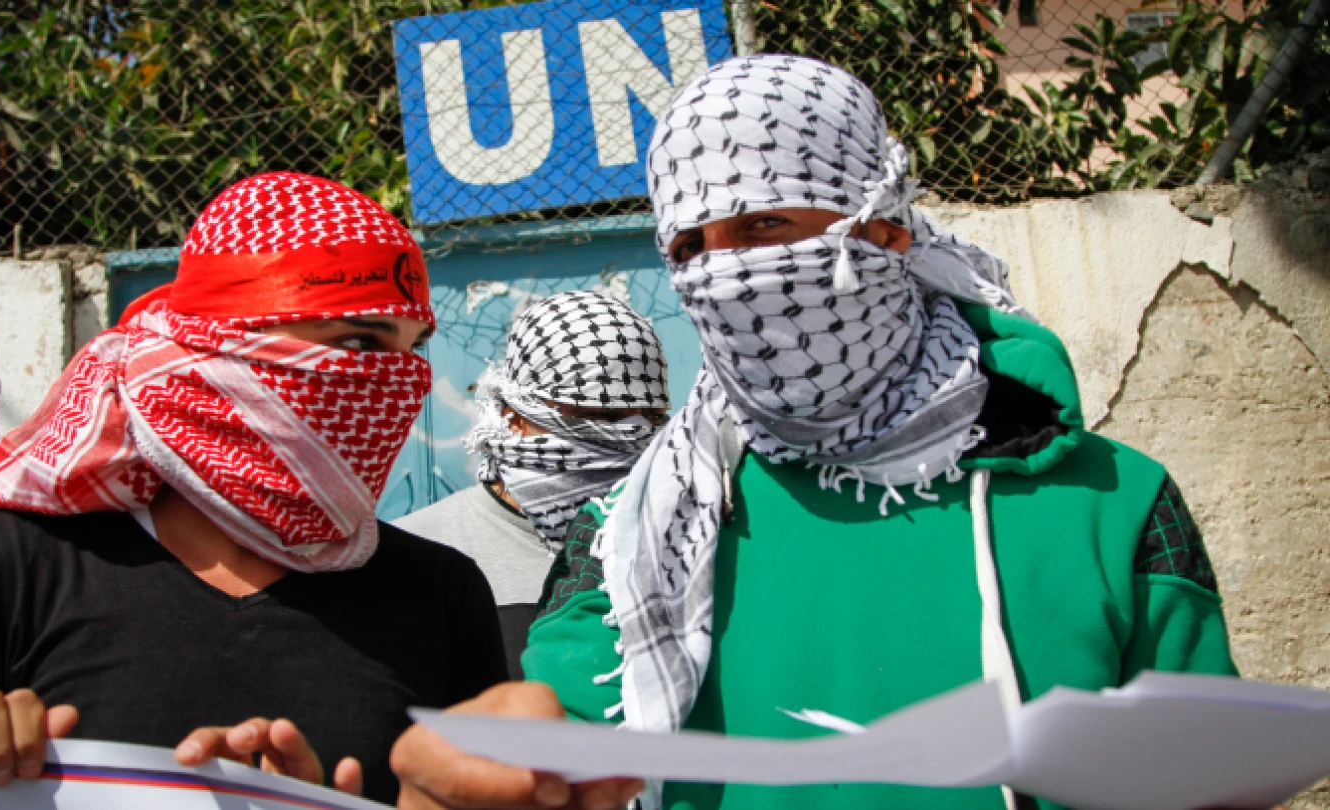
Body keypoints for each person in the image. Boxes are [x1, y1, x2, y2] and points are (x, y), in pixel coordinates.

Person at [386, 55, 1238, 810]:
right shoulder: (629, 537)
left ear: (884, 231)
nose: (724, 276)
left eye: (762, 227)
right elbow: (543, 767)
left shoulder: (1114, 509)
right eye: (690, 246)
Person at [0, 172, 506, 802]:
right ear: (223, 342)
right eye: (356, 342)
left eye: (410, 352)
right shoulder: (10, 570)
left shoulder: (440, 596)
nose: (396, 385)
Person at [395, 290, 670, 678]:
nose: (630, 433)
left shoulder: (677, 539)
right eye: (595, 415)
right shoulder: (420, 558)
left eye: (651, 417)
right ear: (514, 416)